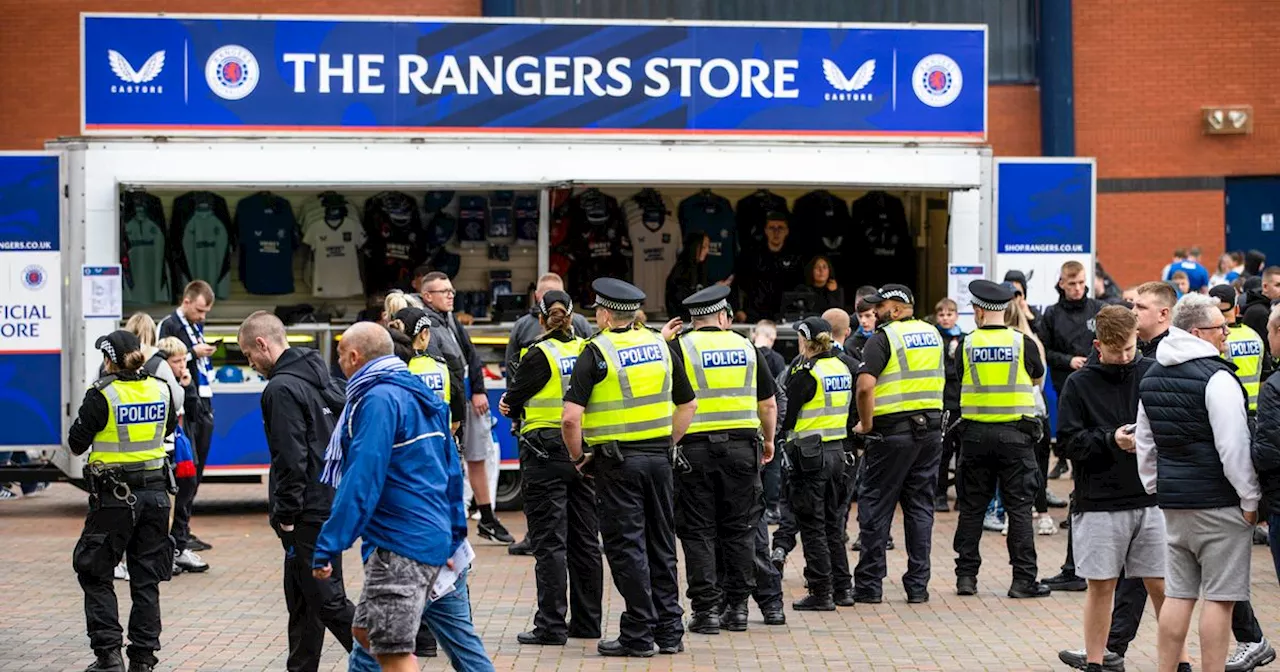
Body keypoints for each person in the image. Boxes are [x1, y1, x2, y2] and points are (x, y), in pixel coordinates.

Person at [315, 323, 492, 672]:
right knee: (366, 635)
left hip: (400, 548)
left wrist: (329, 545)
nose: (338, 363)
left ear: (354, 357)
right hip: (432, 540)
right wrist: (455, 535)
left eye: (339, 355)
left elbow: (361, 478)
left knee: (392, 653)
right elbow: (450, 472)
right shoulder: (418, 392)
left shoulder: (377, 399)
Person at [560, 278, 698, 657]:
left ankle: (638, 633)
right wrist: (664, 443)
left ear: (604, 314)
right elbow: (689, 406)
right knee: (661, 543)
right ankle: (670, 630)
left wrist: (578, 458)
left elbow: (571, 419)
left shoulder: (597, 350)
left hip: (617, 464)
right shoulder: (661, 345)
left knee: (626, 547)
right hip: (658, 460)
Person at [1054, 306, 1185, 672]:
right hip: (1099, 501)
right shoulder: (1079, 384)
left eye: (1130, 348)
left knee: (1162, 586)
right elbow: (1066, 443)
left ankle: (1181, 661)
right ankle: (1096, 662)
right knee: (1101, 587)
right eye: (1116, 351)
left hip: (1152, 499)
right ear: (1098, 346)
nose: (1125, 357)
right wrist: (1111, 439)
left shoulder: (1152, 372)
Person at [1136, 293, 1261, 672]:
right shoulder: (1217, 377)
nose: (1226, 332)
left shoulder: (1153, 373)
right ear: (1196, 332)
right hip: (1219, 502)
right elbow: (1233, 446)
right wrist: (1250, 498)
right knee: (1221, 599)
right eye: (1219, 327)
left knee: (1178, 595)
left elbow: (1145, 440)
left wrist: (1155, 486)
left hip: (1174, 504)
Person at [237, 312, 356, 672]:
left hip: (308, 511)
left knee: (328, 599)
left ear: (262, 344)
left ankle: (388, 660)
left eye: (248, 355)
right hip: (329, 499)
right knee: (304, 598)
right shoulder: (322, 378)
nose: (251, 364)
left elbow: (291, 457)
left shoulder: (281, 389)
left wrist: (286, 515)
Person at [659, 285, 780, 633]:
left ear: (692, 320)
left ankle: (706, 611)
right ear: (724, 316)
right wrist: (768, 441)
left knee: (698, 532)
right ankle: (738, 609)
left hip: (694, 452)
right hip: (743, 450)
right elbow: (768, 404)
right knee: (739, 531)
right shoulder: (747, 347)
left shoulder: (679, 347)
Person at [498, 290, 603, 646]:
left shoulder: (537, 354)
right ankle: (588, 622)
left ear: (540, 319)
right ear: (572, 317)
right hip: (582, 451)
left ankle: (551, 625)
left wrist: (509, 403)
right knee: (586, 539)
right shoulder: (588, 349)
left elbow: (512, 401)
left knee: (549, 541)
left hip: (543, 453)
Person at [69, 330, 178, 672]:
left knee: (95, 571)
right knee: (146, 578)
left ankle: (109, 655)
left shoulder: (102, 395)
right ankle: (143, 661)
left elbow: (76, 443)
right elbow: (170, 428)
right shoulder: (161, 389)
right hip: (157, 496)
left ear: (108, 361)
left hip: (115, 498)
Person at [951, 280, 1051, 599]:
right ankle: (1023, 580)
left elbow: (959, 377)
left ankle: (966, 577)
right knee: (1019, 508)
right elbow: (1037, 376)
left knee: (972, 508)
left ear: (979, 311)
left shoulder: (965, 344)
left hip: (976, 436)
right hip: (1015, 435)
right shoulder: (1023, 343)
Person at [850, 284, 944, 604]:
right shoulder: (933, 334)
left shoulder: (884, 338)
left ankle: (869, 584)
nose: (874, 312)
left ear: (896, 308)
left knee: (875, 505)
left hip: (892, 433)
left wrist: (865, 423)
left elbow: (865, 387)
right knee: (920, 507)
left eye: (880, 306)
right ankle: (918, 586)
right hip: (930, 432)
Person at [419, 271, 515, 544]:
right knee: (448, 461)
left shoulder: (449, 319)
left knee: (476, 458)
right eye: (444, 291)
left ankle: (486, 517)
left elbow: (470, 355)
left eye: (451, 290)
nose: (451, 295)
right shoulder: (428, 325)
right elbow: (447, 367)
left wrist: (479, 391)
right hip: (449, 404)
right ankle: (449, 521)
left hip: (466, 398)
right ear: (427, 296)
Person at [778, 316, 855, 610]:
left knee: (812, 525)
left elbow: (789, 417)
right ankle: (843, 588)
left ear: (804, 341)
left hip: (810, 457)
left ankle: (821, 592)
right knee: (834, 524)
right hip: (838, 453)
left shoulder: (806, 374)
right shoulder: (841, 367)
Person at [157, 281, 217, 556]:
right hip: (184, 407)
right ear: (187, 301)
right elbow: (165, 359)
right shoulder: (169, 325)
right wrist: (194, 353)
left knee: (195, 471)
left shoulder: (194, 326)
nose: (203, 317)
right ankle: (176, 536)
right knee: (185, 473)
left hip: (200, 401)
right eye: (201, 310)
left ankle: (183, 531)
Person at [1038, 262, 1104, 483]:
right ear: (1062, 284)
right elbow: (1044, 351)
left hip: (1096, 380)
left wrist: (1093, 361)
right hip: (1065, 380)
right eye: (1073, 283)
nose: (1077, 288)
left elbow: (1109, 343)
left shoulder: (1098, 309)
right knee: (1073, 434)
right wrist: (1069, 361)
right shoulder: (1052, 314)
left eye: (1082, 283)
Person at [1005, 296, 1064, 529]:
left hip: (1010, 412)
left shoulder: (1002, 341)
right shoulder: (1032, 341)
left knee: (1012, 468)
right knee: (1038, 465)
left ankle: (1011, 516)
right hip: (1035, 410)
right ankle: (1042, 515)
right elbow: (1039, 379)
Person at [505, 273, 595, 374]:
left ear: (536, 295)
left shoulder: (522, 326)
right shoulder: (580, 323)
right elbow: (593, 363)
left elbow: (511, 367)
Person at [733, 212, 805, 323]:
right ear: (766, 230)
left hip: (785, 313)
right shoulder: (752, 255)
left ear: (787, 231)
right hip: (754, 313)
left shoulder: (796, 256)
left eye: (780, 228)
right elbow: (738, 284)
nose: (776, 232)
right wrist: (738, 310)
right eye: (772, 228)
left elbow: (801, 287)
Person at [752, 320, 788, 524]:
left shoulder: (746, 353)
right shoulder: (777, 359)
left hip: (745, 419)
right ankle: (772, 507)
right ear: (772, 338)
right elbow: (780, 393)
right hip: (770, 415)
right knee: (772, 464)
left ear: (755, 334)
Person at [1213, 285, 1266, 417]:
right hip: (1254, 411)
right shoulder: (1254, 336)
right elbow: (1264, 376)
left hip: (1226, 410)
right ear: (1237, 309)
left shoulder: (1214, 338)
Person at [936, 298, 965, 512]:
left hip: (962, 403)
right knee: (943, 453)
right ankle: (940, 494)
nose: (946, 318)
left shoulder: (964, 339)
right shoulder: (935, 338)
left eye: (949, 314)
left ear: (956, 316)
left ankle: (962, 495)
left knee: (963, 453)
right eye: (942, 315)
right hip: (943, 402)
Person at [665, 232, 711, 320]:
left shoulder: (702, 269)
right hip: (683, 323)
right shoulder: (681, 272)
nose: (707, 251)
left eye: (708, 247)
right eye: (704, 247)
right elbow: (679, 301)